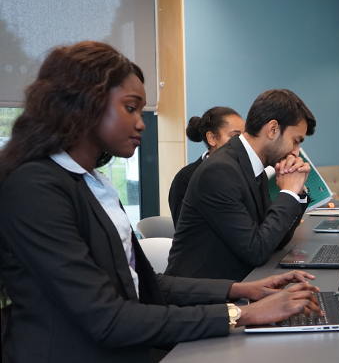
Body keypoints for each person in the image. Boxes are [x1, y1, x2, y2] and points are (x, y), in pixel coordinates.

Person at [0, 41, 322, 363]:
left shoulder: (93, 184)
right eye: (130, 108)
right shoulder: (35, 187)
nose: (141, 122)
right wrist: (241, 314)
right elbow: (107, 318)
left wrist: (242, 291)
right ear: (85, 104)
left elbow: (144, 285)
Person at [166, 89, 315, 281]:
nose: (296, 153)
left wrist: (298, 192)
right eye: (295, 142)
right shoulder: (220, 172)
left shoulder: (252, 165)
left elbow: (275, 241)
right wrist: (288, 193)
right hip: (204, 296)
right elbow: (257, 250)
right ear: (272, 130)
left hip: (238, 282)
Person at [168, 107, 245, 227]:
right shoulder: (186, 177)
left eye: (244, 137)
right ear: (212, 138)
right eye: (235, 136)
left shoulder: (246, 173)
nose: (242, 143)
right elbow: (184, 228)